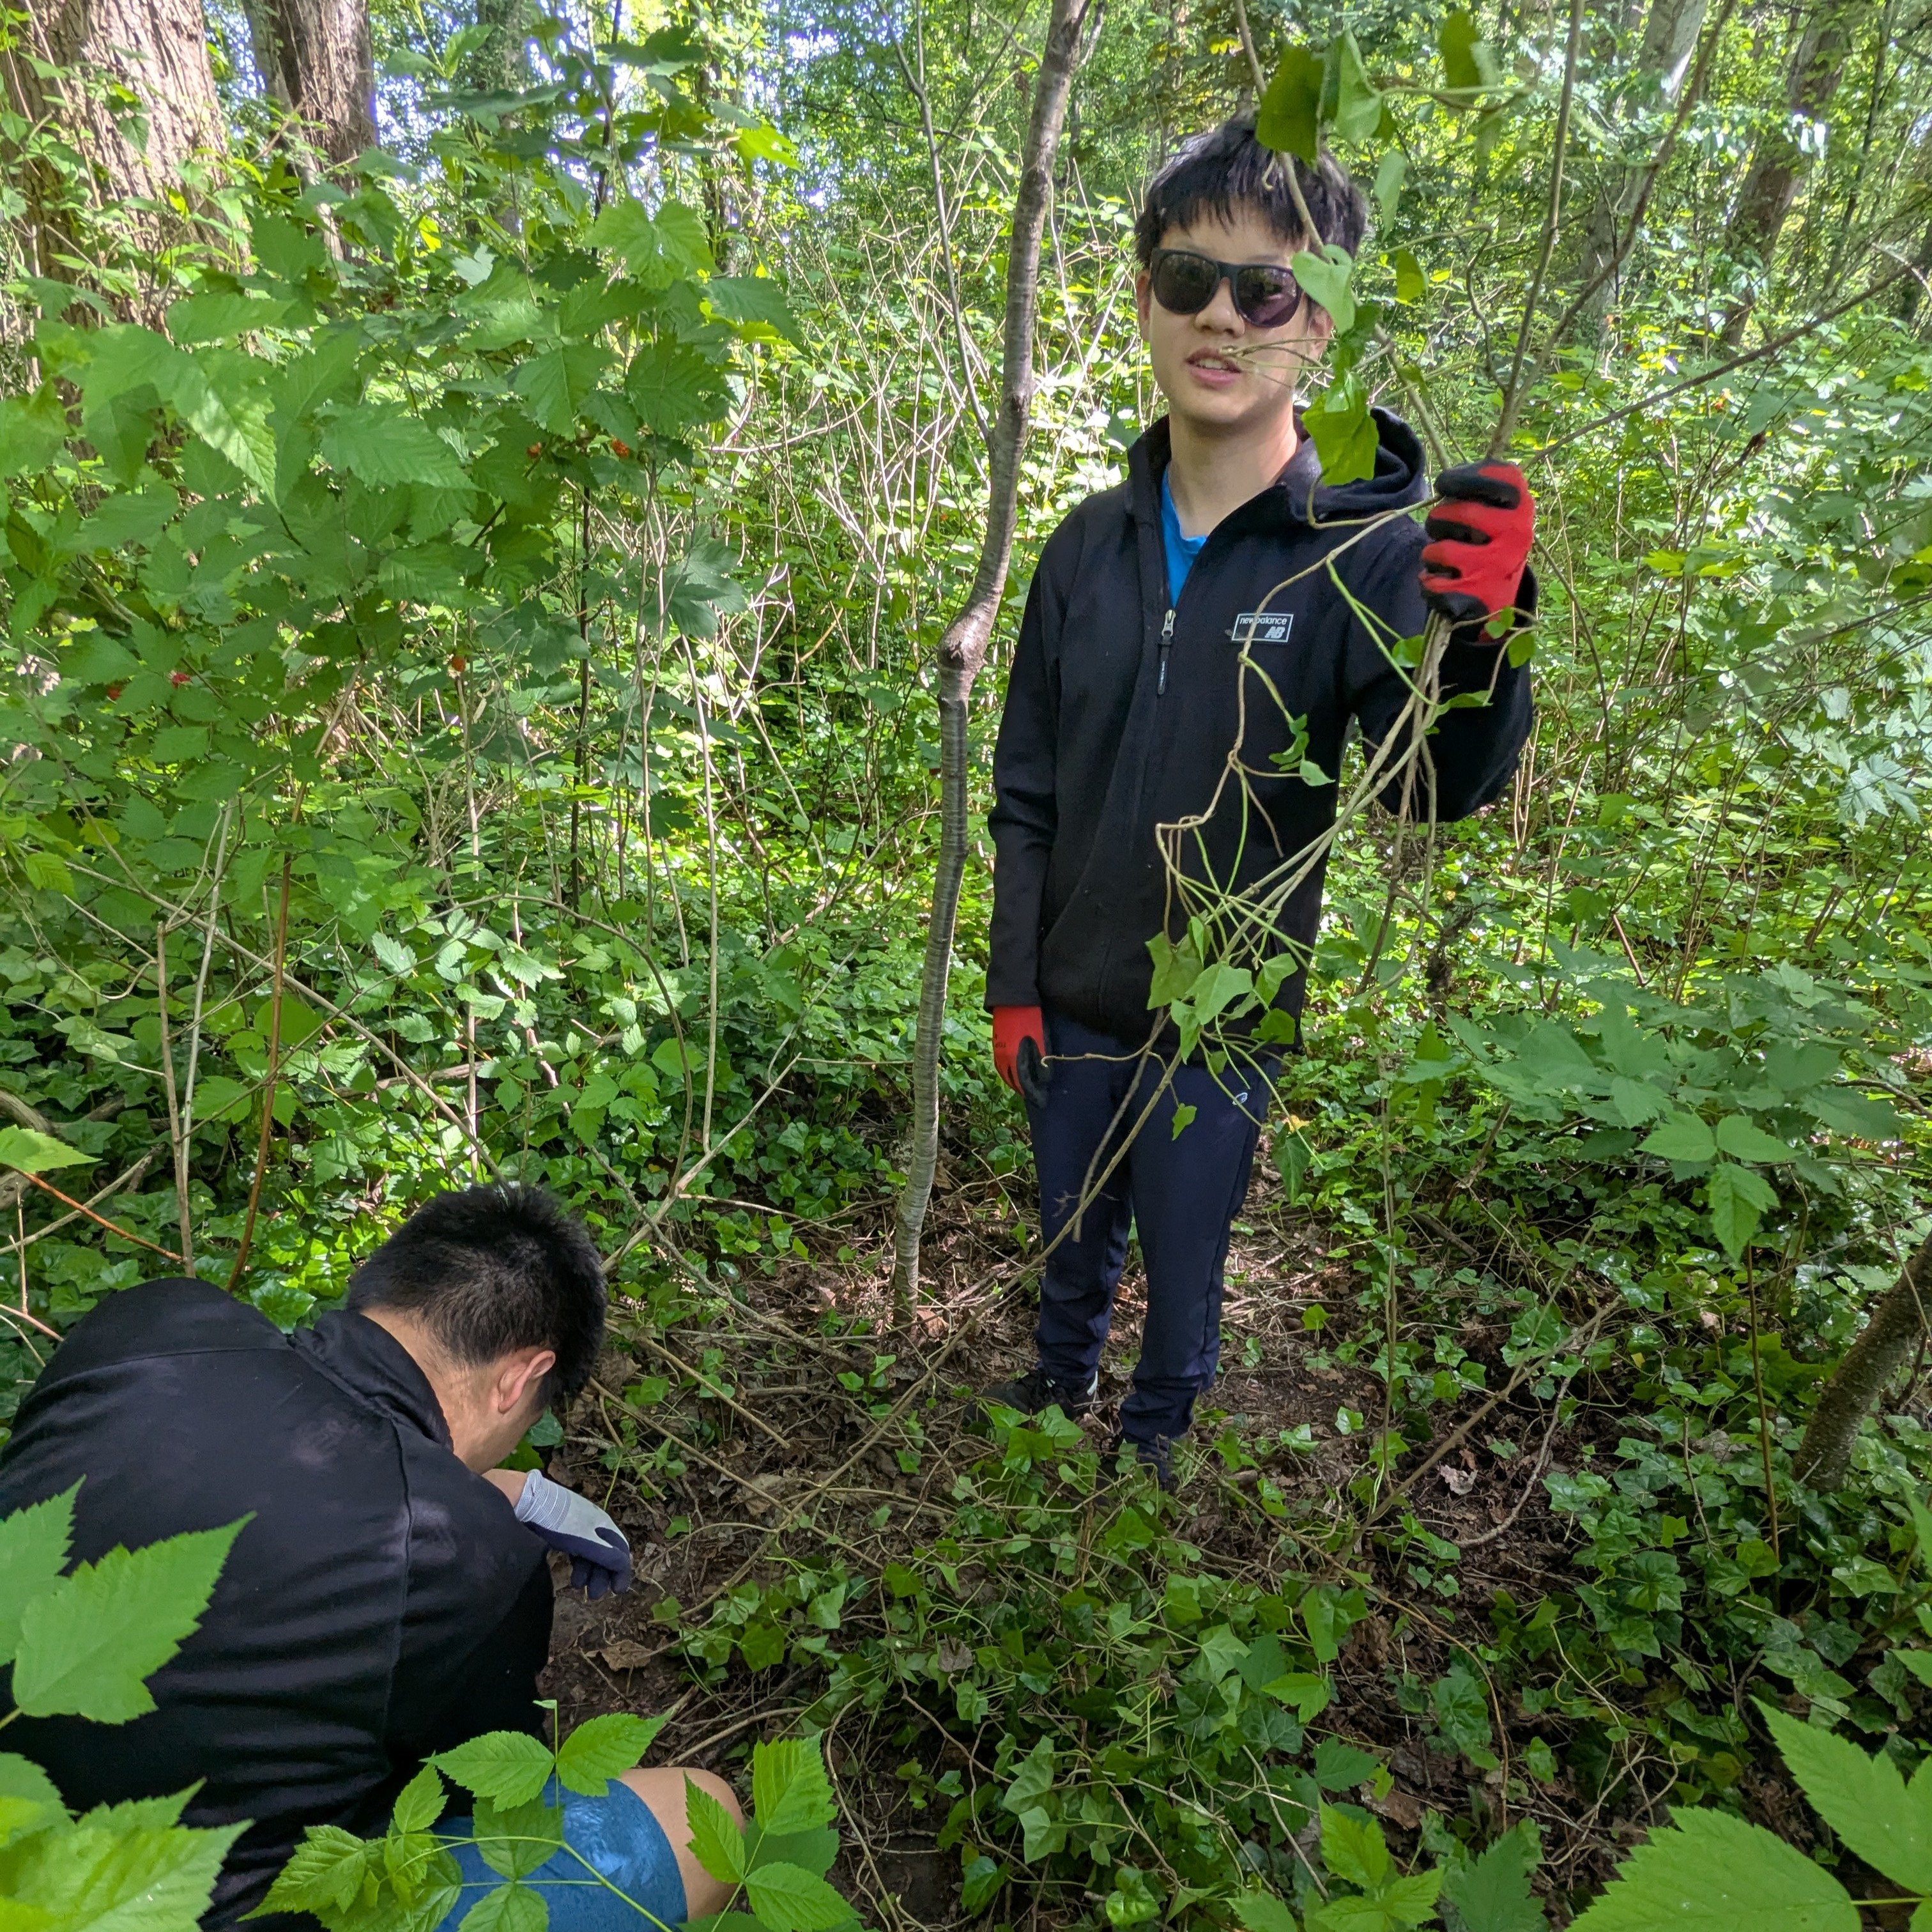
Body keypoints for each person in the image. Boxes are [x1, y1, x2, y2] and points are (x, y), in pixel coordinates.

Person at [981, 116, 1536, 1484]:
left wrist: (1490, 635)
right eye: (1187, 281)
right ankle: (1052, 1409)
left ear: (1320, 325)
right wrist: (1011, 979)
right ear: (1143, 300)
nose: (1221, 317)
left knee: (1183, 1260)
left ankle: (1155, 1448)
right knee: (1068, 1239)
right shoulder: (1083, 550)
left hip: (1225, 1023)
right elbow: (1027, 788)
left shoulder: (1366, 559)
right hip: (1073, 993)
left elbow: (1438, 788)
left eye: (1265, 289)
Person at [0, 1184, 740, 1931]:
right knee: (698, 1819)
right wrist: (481, 1518)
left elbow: (288, 1459)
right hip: (176, 1908)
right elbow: (477, 1788)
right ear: (520, 1377)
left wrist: (504, 1489)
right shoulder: (461, 1556)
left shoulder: (154, 1323)